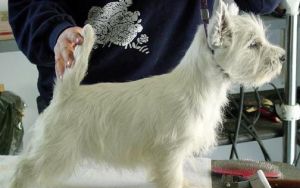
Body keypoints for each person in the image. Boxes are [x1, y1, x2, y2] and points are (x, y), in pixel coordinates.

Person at [8, 0, 282, 113]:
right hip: (81, 110)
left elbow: (262, 2)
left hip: (176, 116)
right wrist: (56, 31)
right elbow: (28, 5)